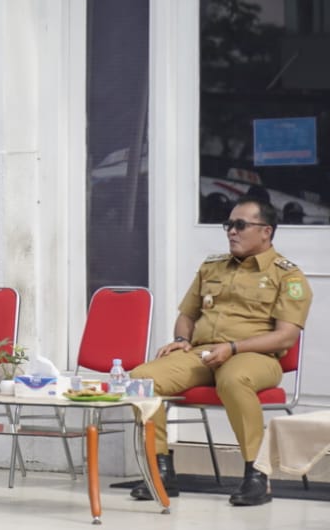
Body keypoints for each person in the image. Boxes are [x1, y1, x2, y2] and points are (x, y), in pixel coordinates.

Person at [129, 199, 312, 506]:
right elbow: (187, 314)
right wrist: (180, 338)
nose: (231, 232)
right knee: (142, 378)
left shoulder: (288, 276)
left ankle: (257, 475)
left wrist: (234, 348)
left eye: (241, 225)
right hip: (202, 354)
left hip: (256, 357)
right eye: (228, 225)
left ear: (266, 232)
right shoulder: (212, 267)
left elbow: (285, 337)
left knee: (234, 378)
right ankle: (160, 470)